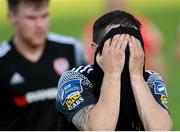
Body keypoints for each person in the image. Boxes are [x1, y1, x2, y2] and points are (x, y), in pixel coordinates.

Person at [56, 10, 172, 131]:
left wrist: (137, 77)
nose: (123, 50)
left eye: (131, 43)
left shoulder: (151, 79)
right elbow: (99, 129)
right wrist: (113, 74)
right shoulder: (74, 79)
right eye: (115, 43)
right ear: (96, 49)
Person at [0, 0, 87, 130]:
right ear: (12, 17)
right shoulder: (3, 61)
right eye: (31, 18)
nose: (40, 24)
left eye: (45, 15)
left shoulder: (71, 49)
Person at [82, 0, 167, 80]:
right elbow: (86, 58)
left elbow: (156, 56)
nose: (115, 2)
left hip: (140, 82)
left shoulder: (142, 23)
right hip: (106, 83)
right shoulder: (93, 27)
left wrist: (160, 85)